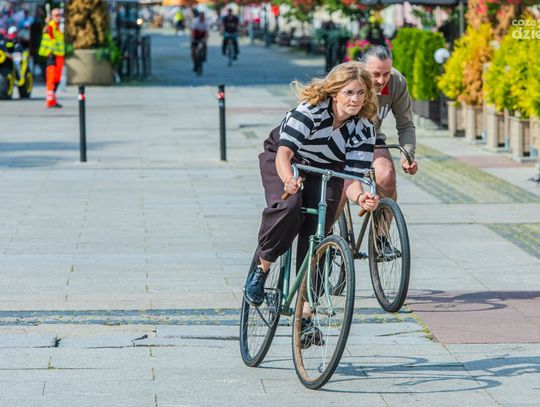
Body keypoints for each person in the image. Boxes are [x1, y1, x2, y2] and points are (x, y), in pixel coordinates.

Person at [244, 62, 380, 340]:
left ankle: (305, 314)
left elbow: (352, 179)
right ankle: (262, 267)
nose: (355, 99)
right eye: (349, 92)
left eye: (361, 93)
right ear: (334, 92)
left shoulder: (364, 128)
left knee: (318, 234)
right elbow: (284, 154)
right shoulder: (311, 111)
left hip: (327, 171)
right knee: (290, 207)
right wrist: (288, 180)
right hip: (286, 161)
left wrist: (361, 197)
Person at [359, 45, 418, 201]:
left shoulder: (396, 82)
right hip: (341, 139)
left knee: (387, 176)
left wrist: (407, 156)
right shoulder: (348, 79)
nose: (381, 80)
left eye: (386, 74)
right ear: (362, 68)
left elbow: (405, 125)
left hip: (372, 137)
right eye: (375, 74)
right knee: (343, 187)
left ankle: (383, 218)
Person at [38, 8, 64, 108]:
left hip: (59, 56)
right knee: (51, 78)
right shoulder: (51, 25)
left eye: (59, 15)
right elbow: (45, 30)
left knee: (57, 79)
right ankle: (49, 100)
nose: (58, 17)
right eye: (56, 15)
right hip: (51, 56)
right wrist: (47, 23)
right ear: (52, 16)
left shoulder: (59, 27)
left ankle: (53, 100)